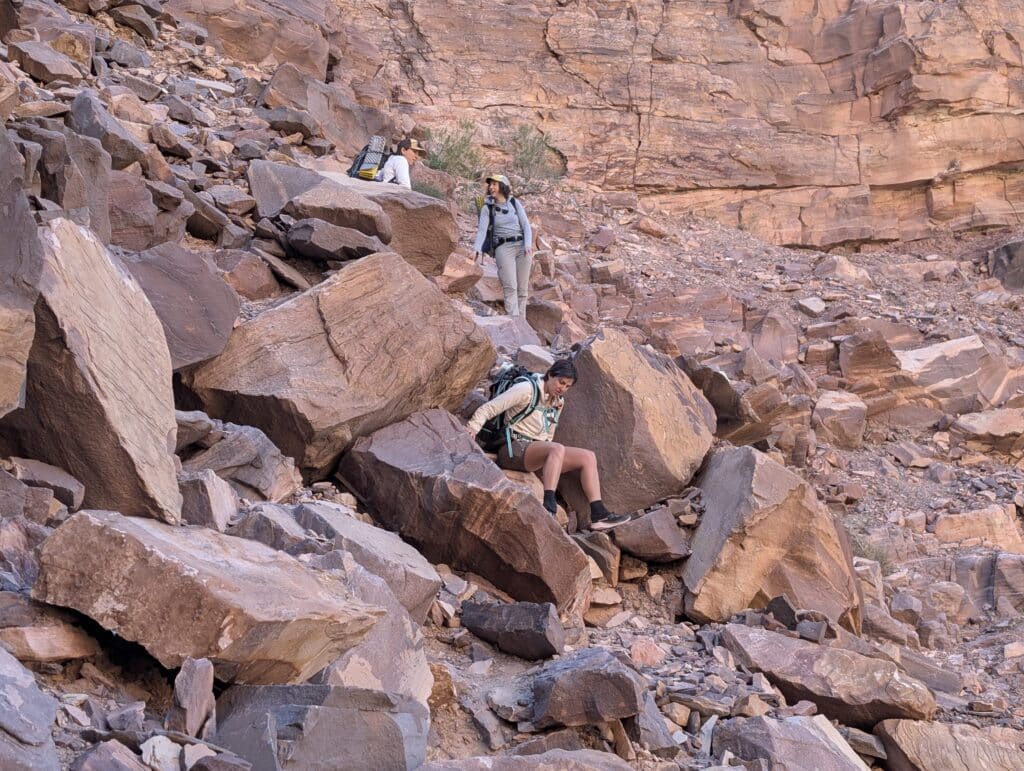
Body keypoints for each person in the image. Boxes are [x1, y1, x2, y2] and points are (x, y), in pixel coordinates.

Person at [466, 358, 631, 531]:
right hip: (512, 448)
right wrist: (471, 428)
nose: (563, 388)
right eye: (561, 382)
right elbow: (490, 408)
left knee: (588, 457)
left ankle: (599, 514)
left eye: (567, 386)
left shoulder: (558, 401)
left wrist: (551, 464)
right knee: (556, 448)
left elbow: (548, 435)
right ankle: (549, 505)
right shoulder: (526, 389)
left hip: (535, 452)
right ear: (551, 374)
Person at [472, 174, 533, 316]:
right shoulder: (487, 208)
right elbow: (481, 231)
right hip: (503, 248)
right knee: (510, 287)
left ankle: (522, 324)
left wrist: (528, 244)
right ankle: (515, 323)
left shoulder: (514, 202)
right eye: (490, 184)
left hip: (522, 247)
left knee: (522, 290)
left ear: (502, 186)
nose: (491, 187)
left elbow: (526, 226)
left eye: (495, 184)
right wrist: (475, 249)